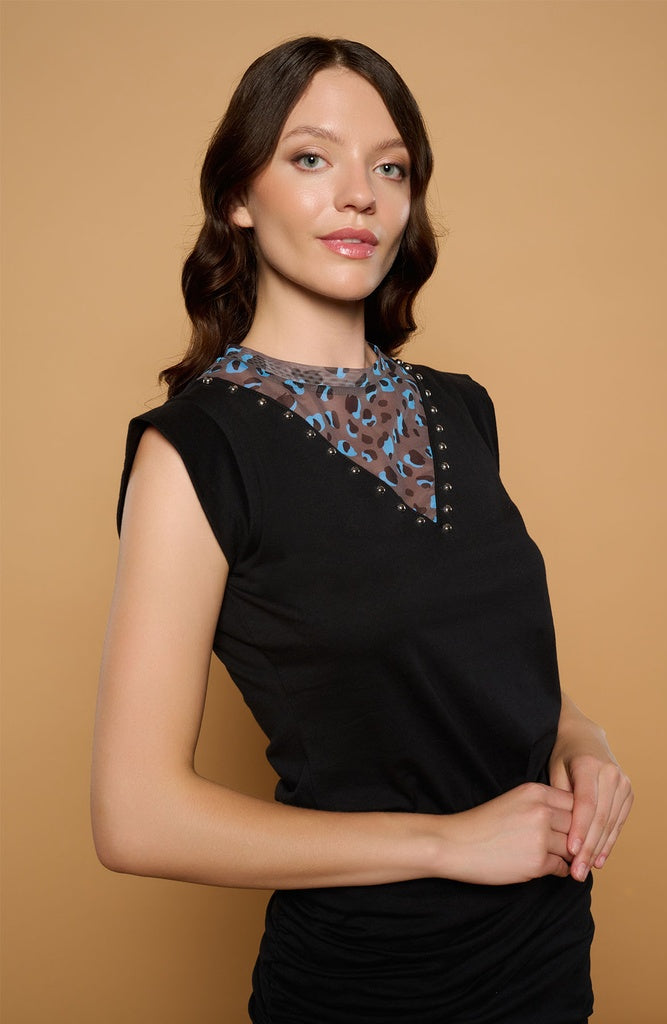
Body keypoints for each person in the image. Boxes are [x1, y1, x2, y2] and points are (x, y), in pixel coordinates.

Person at [91, 36, 633, 1023]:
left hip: (546, 957)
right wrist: (444, 843)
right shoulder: (193, 452)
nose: (359, 196)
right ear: (237, 197)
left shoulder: (461, 408)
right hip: (371, 983)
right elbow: (135, 816)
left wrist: (580, 739)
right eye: (311, 158)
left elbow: (467, 670)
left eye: (389, 169)